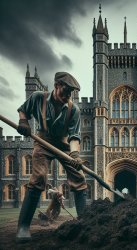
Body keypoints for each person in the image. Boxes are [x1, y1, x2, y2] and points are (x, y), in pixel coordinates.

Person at [16, 72, 87, 242]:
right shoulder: (38, 97)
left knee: (79, 178)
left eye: (70, 93)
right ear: (56, 86)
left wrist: (75, 155)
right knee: (38, 177)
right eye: (65, 91)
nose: (67, 96)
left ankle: (86, 224)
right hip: (42, 141)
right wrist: (23, 122)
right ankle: (23, 228)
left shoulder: (74, 110)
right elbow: (23, 110)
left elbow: (74, 137)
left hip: (64, 145)